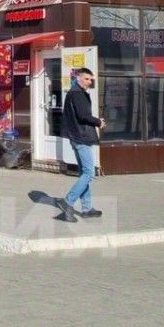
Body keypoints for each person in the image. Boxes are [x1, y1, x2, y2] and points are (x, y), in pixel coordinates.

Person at [55, 67, 105, 222]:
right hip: (81, 137)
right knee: (89, 173)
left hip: (76, 136)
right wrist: (98, 122)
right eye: (86, 79)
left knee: (84, 172)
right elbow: (83, 116)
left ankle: (87, 209)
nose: (89, 82)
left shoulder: (73, 92)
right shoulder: (78, 94)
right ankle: (67, 201)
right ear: (78, 78)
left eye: (90, 80)